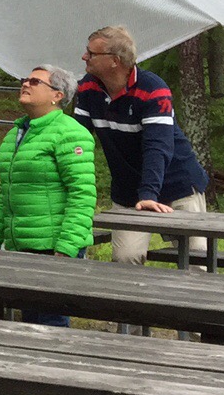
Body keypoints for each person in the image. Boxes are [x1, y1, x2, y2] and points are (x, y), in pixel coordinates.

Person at [0, 64, 94, 395]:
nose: (25, 84)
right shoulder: (18, 132)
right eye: (24, 79)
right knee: (32, 325)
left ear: (58, 95)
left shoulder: (70, 133)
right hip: (21, 244)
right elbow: (6, 193)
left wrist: (67, 247)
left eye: (34, 81)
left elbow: (82, 196)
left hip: (53, 245)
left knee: (54, 325)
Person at [73, 24, 209, 267]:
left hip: (178, 185)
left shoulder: (153, 89)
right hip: (128, 190)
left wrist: (148, 194)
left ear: (114, 61)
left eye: (91, 53)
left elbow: (157, 148)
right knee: (125, 260)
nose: (84, 57)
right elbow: (76, 138)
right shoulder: (87, 87)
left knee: (196, 261)